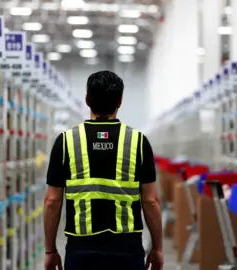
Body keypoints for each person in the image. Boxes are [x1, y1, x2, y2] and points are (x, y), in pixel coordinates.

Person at [43, 70, 164, 270]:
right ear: (120, 101)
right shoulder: (138, 142)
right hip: (127, 249)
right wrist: (157, 249)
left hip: (81, 249)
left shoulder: (66, 142)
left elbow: (52, 201)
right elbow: (150, 201)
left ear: (87, 100)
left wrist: (50, 251)